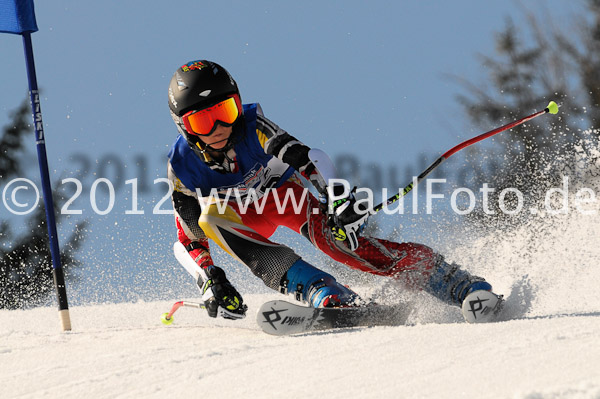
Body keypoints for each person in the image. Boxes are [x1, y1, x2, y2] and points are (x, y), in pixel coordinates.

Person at [167, 59, 498, 320]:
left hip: (286, 197)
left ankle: (457, 284)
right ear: (185, 127)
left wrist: (339, 198)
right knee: (210, 218)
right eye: (203, 121)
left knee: (344, 244)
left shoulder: (254, 128)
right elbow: (187, 239)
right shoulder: (182, 166)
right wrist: (212, 281)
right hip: (241, 218)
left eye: (225, 112)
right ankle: (321, 289)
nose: (219, 128)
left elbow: (307, 157)